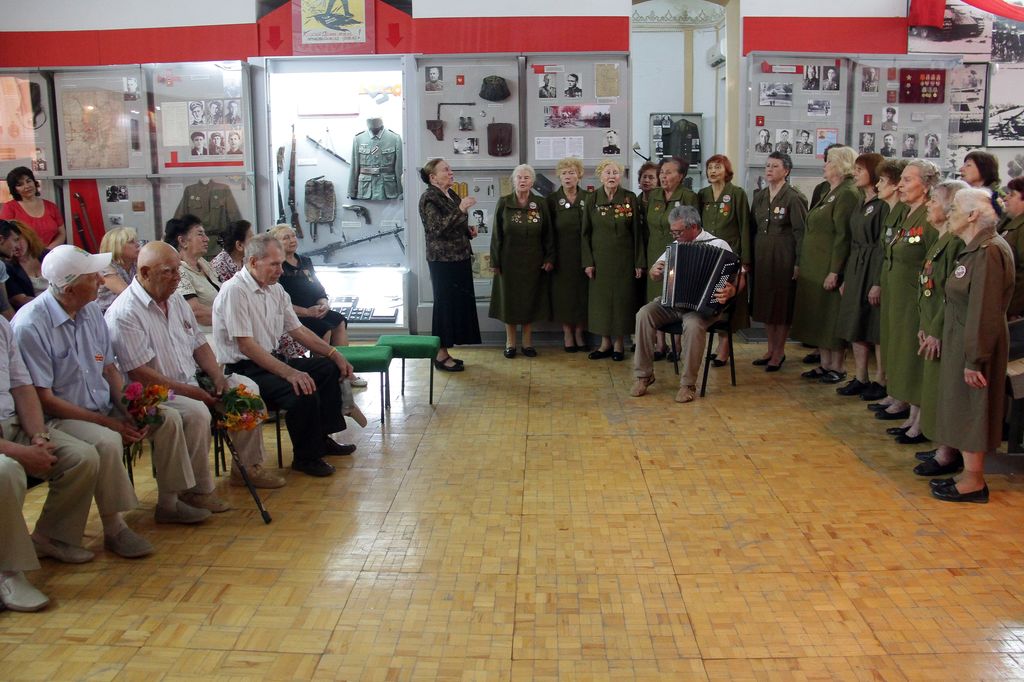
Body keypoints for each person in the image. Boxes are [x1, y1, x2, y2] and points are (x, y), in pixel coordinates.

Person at [13, 245, 221, 525]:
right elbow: (45, 399)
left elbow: (109, 369)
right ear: (69, 289)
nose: (101, 281)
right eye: (92, 277)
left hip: (104, 405)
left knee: (165, 418)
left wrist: (128, 408)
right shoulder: (31, 325)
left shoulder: (90, 312)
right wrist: (109, 422)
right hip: (64, 416)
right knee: (109, 440)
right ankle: (115, 526)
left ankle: (170, 503)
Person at [105, 242, 284, 489]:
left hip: (191, 380)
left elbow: (199, 345)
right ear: (145, 272)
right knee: (197, 412)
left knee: (247, 391)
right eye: (169, 272)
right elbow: (140, 373)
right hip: (154, 393)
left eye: (178, 271)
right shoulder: (125, 312)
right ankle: (197, 489)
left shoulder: (176, 301)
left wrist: (217, 377)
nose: (177, 278)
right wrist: (192, 392)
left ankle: (247, 467)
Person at [212, 233, 356, 478]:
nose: (280, 270)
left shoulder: (276, 290)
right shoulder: (234, 291)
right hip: (244, 369)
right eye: (274, 264)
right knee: (302, 387)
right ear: (254, 261)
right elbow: (246, 346)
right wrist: (291, 373)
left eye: (281, 263)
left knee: (326, 368)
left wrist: (334, 354)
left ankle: (322, 438)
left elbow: (298, 330)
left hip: (270, 360)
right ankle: (306, 457)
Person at [929, 189, 1014, 503]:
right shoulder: (973, 249)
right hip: (963, 337)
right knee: (961, 405)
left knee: (973, 407)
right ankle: (967, 472)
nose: (949, 214)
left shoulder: (989, 251)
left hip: (977, 342)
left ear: (973, 214)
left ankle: (975, 481)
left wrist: (975, 359)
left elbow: (984, 309)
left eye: (954, 209)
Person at [630, 205, 738, 403]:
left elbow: (736, 280)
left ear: (693, 227)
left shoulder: (719, 245)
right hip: (673, 303)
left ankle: (688, 384)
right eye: (673, 232)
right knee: (644, 314)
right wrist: (654, 271)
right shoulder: (675, 246)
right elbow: (656, 273)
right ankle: (643, 375)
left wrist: (730, 291)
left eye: (678, 232)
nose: (675, 236)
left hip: (703, 308)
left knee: (693, 324)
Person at [877, 160, 941, 440]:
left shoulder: (929, 218)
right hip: (898, 295)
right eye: (900, 179)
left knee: (914, 356)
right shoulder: (907, 213)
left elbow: (933, 263)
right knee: (901, 350)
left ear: (925, 186)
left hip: (916, 299)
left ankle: (920, 420)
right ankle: (910, 410)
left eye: (907, 180)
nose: (900, 185)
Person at [913, 180, 968, 471]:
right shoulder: (940, 238)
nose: (928, 204)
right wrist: (925, 322)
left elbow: (950, 294)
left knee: (944, 391)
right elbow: (929, 285)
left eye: (934, 200)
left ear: (949, 208)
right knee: (933, 387)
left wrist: (935, 329)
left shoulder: (955, 243)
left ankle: (947, 453)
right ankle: (940, 445)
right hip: (933, 321)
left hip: (945, 326)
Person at [793, 146, 859, 384]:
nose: (825, 165)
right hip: (815, 264)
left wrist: (835, 271)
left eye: (829, 161)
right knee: (819, 315)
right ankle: (825, 363)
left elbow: (843, 235)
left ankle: (837, 366)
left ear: (841, 165)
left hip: (829, 265)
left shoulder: (847, 193)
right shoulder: (829, 190)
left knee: (831, 315)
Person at [418, 159, 481, 371]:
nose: (451, 172)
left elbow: (454, 224)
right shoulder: (429, 197)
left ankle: (446, 350)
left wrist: (468, 231)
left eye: (450, 169)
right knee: (445, 306)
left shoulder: (451, 194)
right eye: (446, 170)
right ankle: (440, 354)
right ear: (432, 177)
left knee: (456, 306)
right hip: (442, 261)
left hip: (460, 257)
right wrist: (461, 209)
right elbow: (436, 229)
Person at [835, 154, 887, 397]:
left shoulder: (883, 204)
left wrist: (878, 282)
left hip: (873, 265)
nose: (854, 173)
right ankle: (860, 376)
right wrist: (846, 276)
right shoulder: (860, 200)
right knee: (854, 322)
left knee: (873, 326)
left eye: (859, 169)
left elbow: (883, 245)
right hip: (856, 266)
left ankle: (881, 380)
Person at [750, 152, 808, 371]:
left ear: (786, 170)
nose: (769, 169)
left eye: (775, 166)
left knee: (781, 305)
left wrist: (799, 262)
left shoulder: (793, 197)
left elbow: (801, 233)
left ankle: (779, 351)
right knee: (765, 303)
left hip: (784, 256)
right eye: (767, 165)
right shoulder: (760, 196)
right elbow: (753, 227)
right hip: (762, 256)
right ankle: (770, 348)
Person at [489, 165, 554, 357]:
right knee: (509, 301)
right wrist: (495, 261)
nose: (523, 180)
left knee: (529, 300)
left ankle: (527, 343)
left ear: (532, 182)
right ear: (513, 180)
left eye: (526, 177)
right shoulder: (504, 202)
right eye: (519, 177)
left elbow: (548, 233)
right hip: (508, 262)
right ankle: (510, 343)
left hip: (534, 261)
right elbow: (496, 234)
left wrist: (549, 257)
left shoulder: (541, 203)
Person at [582, 160, 643, 361]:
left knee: (621, 302)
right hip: (600, 261)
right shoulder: (592, 199)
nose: (612, 176)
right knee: (602, 303)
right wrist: (588, 262)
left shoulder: (629, 198)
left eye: (615, 172)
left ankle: (619, 345)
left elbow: (637, 232)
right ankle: (604, 344)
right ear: (600, 176)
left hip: (624, 260)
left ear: (621, 176)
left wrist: (639, 262)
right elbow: (585, 233)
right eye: (607, 172)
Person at [644, 157, 699, 359]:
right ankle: (660, 345)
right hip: (655, 251)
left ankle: (677, 346)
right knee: (656, 297)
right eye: (661, 172)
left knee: (675, 297)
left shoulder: (688, 196)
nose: (663, 176)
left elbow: (693, 228)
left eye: (668, 172)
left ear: (681, 176)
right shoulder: (654, 195)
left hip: (680, 251)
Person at [699, 154, 751, 365]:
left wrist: (745, 260)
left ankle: (724, 348)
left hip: (731, 255)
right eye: (710, 167)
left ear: (727, 171)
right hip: (708, 255)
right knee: (712, 300)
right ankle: (718, 345)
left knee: (728, 300)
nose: (713, 171)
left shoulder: (737, 194)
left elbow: (745, 227)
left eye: (717, 167)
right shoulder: (702, 194)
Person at [547, 157, 590, 352]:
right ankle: (567, 333)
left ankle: (580, 332)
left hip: (584, 255)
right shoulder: (552, 200)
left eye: (571, 172)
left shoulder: (589, 198)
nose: (567, 176)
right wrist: (550, 257)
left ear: (579, 175)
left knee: (582, 294)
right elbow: (548, 232)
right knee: (563, 296)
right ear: (559, 176)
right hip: (561, 256)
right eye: (564, 173)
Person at [164, 215, 220, 335]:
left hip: (221, 331)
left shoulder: (203, 263)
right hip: (201, 336)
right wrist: (232, 316)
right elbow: (195, 312)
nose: (207, 239)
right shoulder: (178, 271)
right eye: (200, 234)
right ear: (183, 241)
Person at [1, 166, 65, 249]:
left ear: (34, 182)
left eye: (28, 181)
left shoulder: (51, 206)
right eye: (20, 185)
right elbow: (6, 238)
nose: (27, 186)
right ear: (15, 189)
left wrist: (48, 251)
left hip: (50, 253)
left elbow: (62, 233)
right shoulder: (9, 208)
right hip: (24, 254)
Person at [997, 177, 1024, 318]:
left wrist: (1010, 309)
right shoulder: (1008, 223)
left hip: (1013, 311)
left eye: (1012, 195)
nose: (1006, 198)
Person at [96, 227, 139, 314]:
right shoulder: (105, 266)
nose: (137, 245)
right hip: (105, 314)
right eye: (131, 242)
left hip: (128, 310)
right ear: (117, 247)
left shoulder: (134, 264)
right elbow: (129, 294)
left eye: (136, 241)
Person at [12, 222, 48, 296]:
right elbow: (19, 299)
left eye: (17, 239)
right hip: (35, 303)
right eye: (11, 242)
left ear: (27, 236)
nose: (16, 246)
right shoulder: (8, 268)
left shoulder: (45, 253)